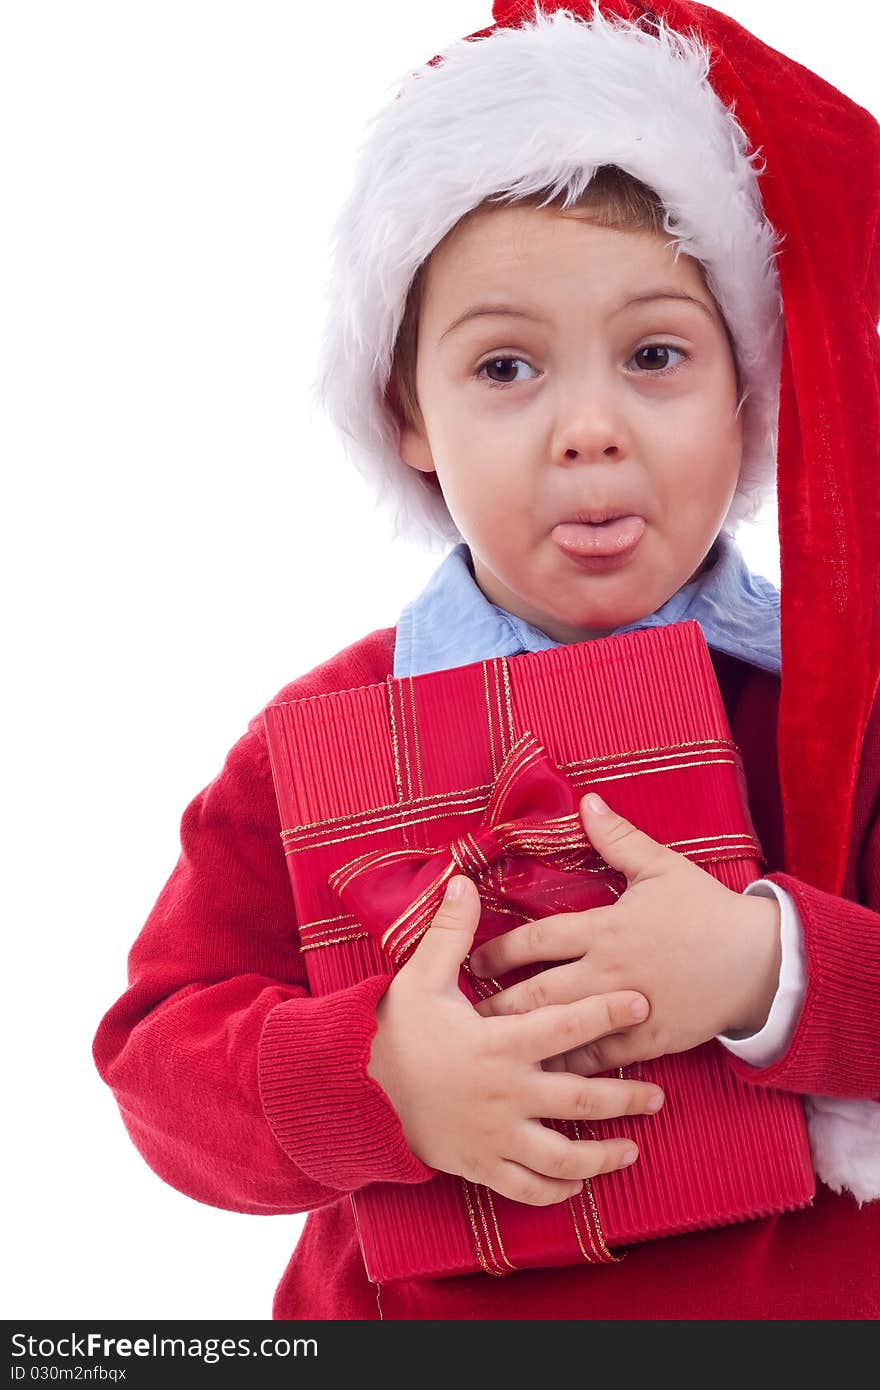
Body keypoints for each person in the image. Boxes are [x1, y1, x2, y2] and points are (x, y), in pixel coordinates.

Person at [92, 0, 880, 1319]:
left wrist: (767, 966)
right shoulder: (325, 731)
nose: (588, 428)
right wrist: (380, 1074)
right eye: (507, 363)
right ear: (409, 412)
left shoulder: (841, 710)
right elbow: (158, 1067)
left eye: (655, 356)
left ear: (747, 393)